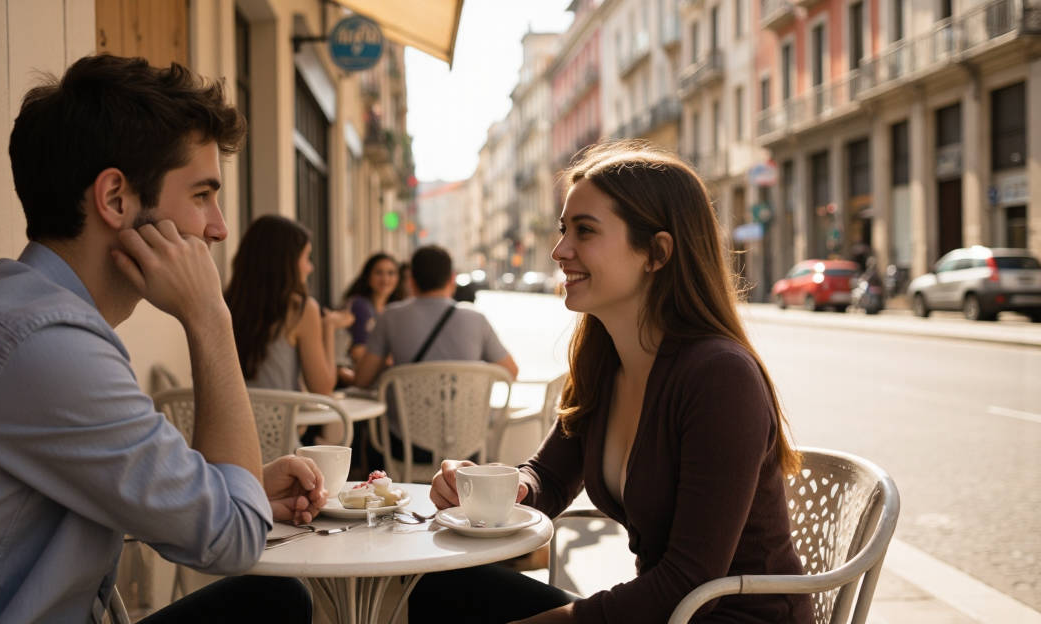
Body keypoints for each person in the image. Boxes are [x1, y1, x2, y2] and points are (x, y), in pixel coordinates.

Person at [0, 55, 324, 623]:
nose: (218, 227)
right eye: (201, 195)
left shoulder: (23, 317)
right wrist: (211, 317)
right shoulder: (44, 346)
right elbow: (235, 537)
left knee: (274, 599)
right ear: (115, 198)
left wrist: (232, 488)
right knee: (272, 605)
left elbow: (210, 512)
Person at [414, 142, 812, 624]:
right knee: (433, 581)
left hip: (730, 618)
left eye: (584, 231)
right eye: (564, 229)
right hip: (664, 613)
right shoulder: (604, 361)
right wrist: (491, 488)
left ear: (657, 253)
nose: (559, 251)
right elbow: (548, 478)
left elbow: (690, 581)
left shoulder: (719, 377)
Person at [354, 246, 519, 463]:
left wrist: (394, 369)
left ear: (411, 281)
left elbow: (362, 379)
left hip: (405, 448)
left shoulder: (390, 317)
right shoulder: (477, 320)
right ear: (452, 280)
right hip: (465, 449)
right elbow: (511, 372)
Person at [224, 215, 354, 443]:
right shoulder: (299, 308)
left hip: (228, 440)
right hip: (277, 443)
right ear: (286, 262)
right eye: (306, 257)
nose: (310, 267)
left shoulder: (225, 304)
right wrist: (329, 327)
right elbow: (323, 388)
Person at [339, 252, 403, 364]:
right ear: (368, 276)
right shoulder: (360, 306)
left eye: (391, 273)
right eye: (379, 273)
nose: (385, 279)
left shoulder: (395, 307)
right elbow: (358, 352)